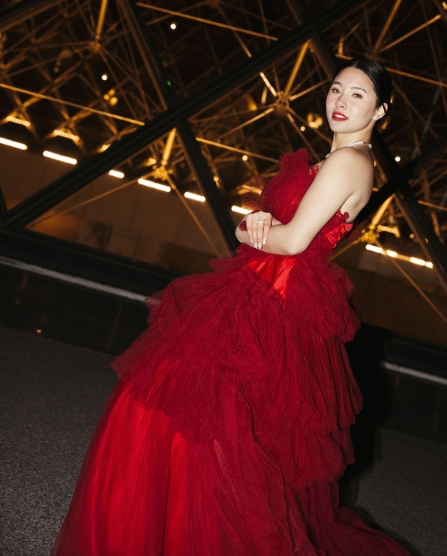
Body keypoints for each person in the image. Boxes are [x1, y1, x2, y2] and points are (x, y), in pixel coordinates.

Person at [51, 58, 411, 556]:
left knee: (195, 426)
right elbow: (279, 230)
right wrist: (260, 221)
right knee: (212, 431)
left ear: (381, 108)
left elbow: (290, 242)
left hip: (269, 307)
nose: (340, 102)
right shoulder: (330, 161)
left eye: (357, 94)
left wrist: (248, 227)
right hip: (258, 296)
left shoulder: (349, 162)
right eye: (335, 89)